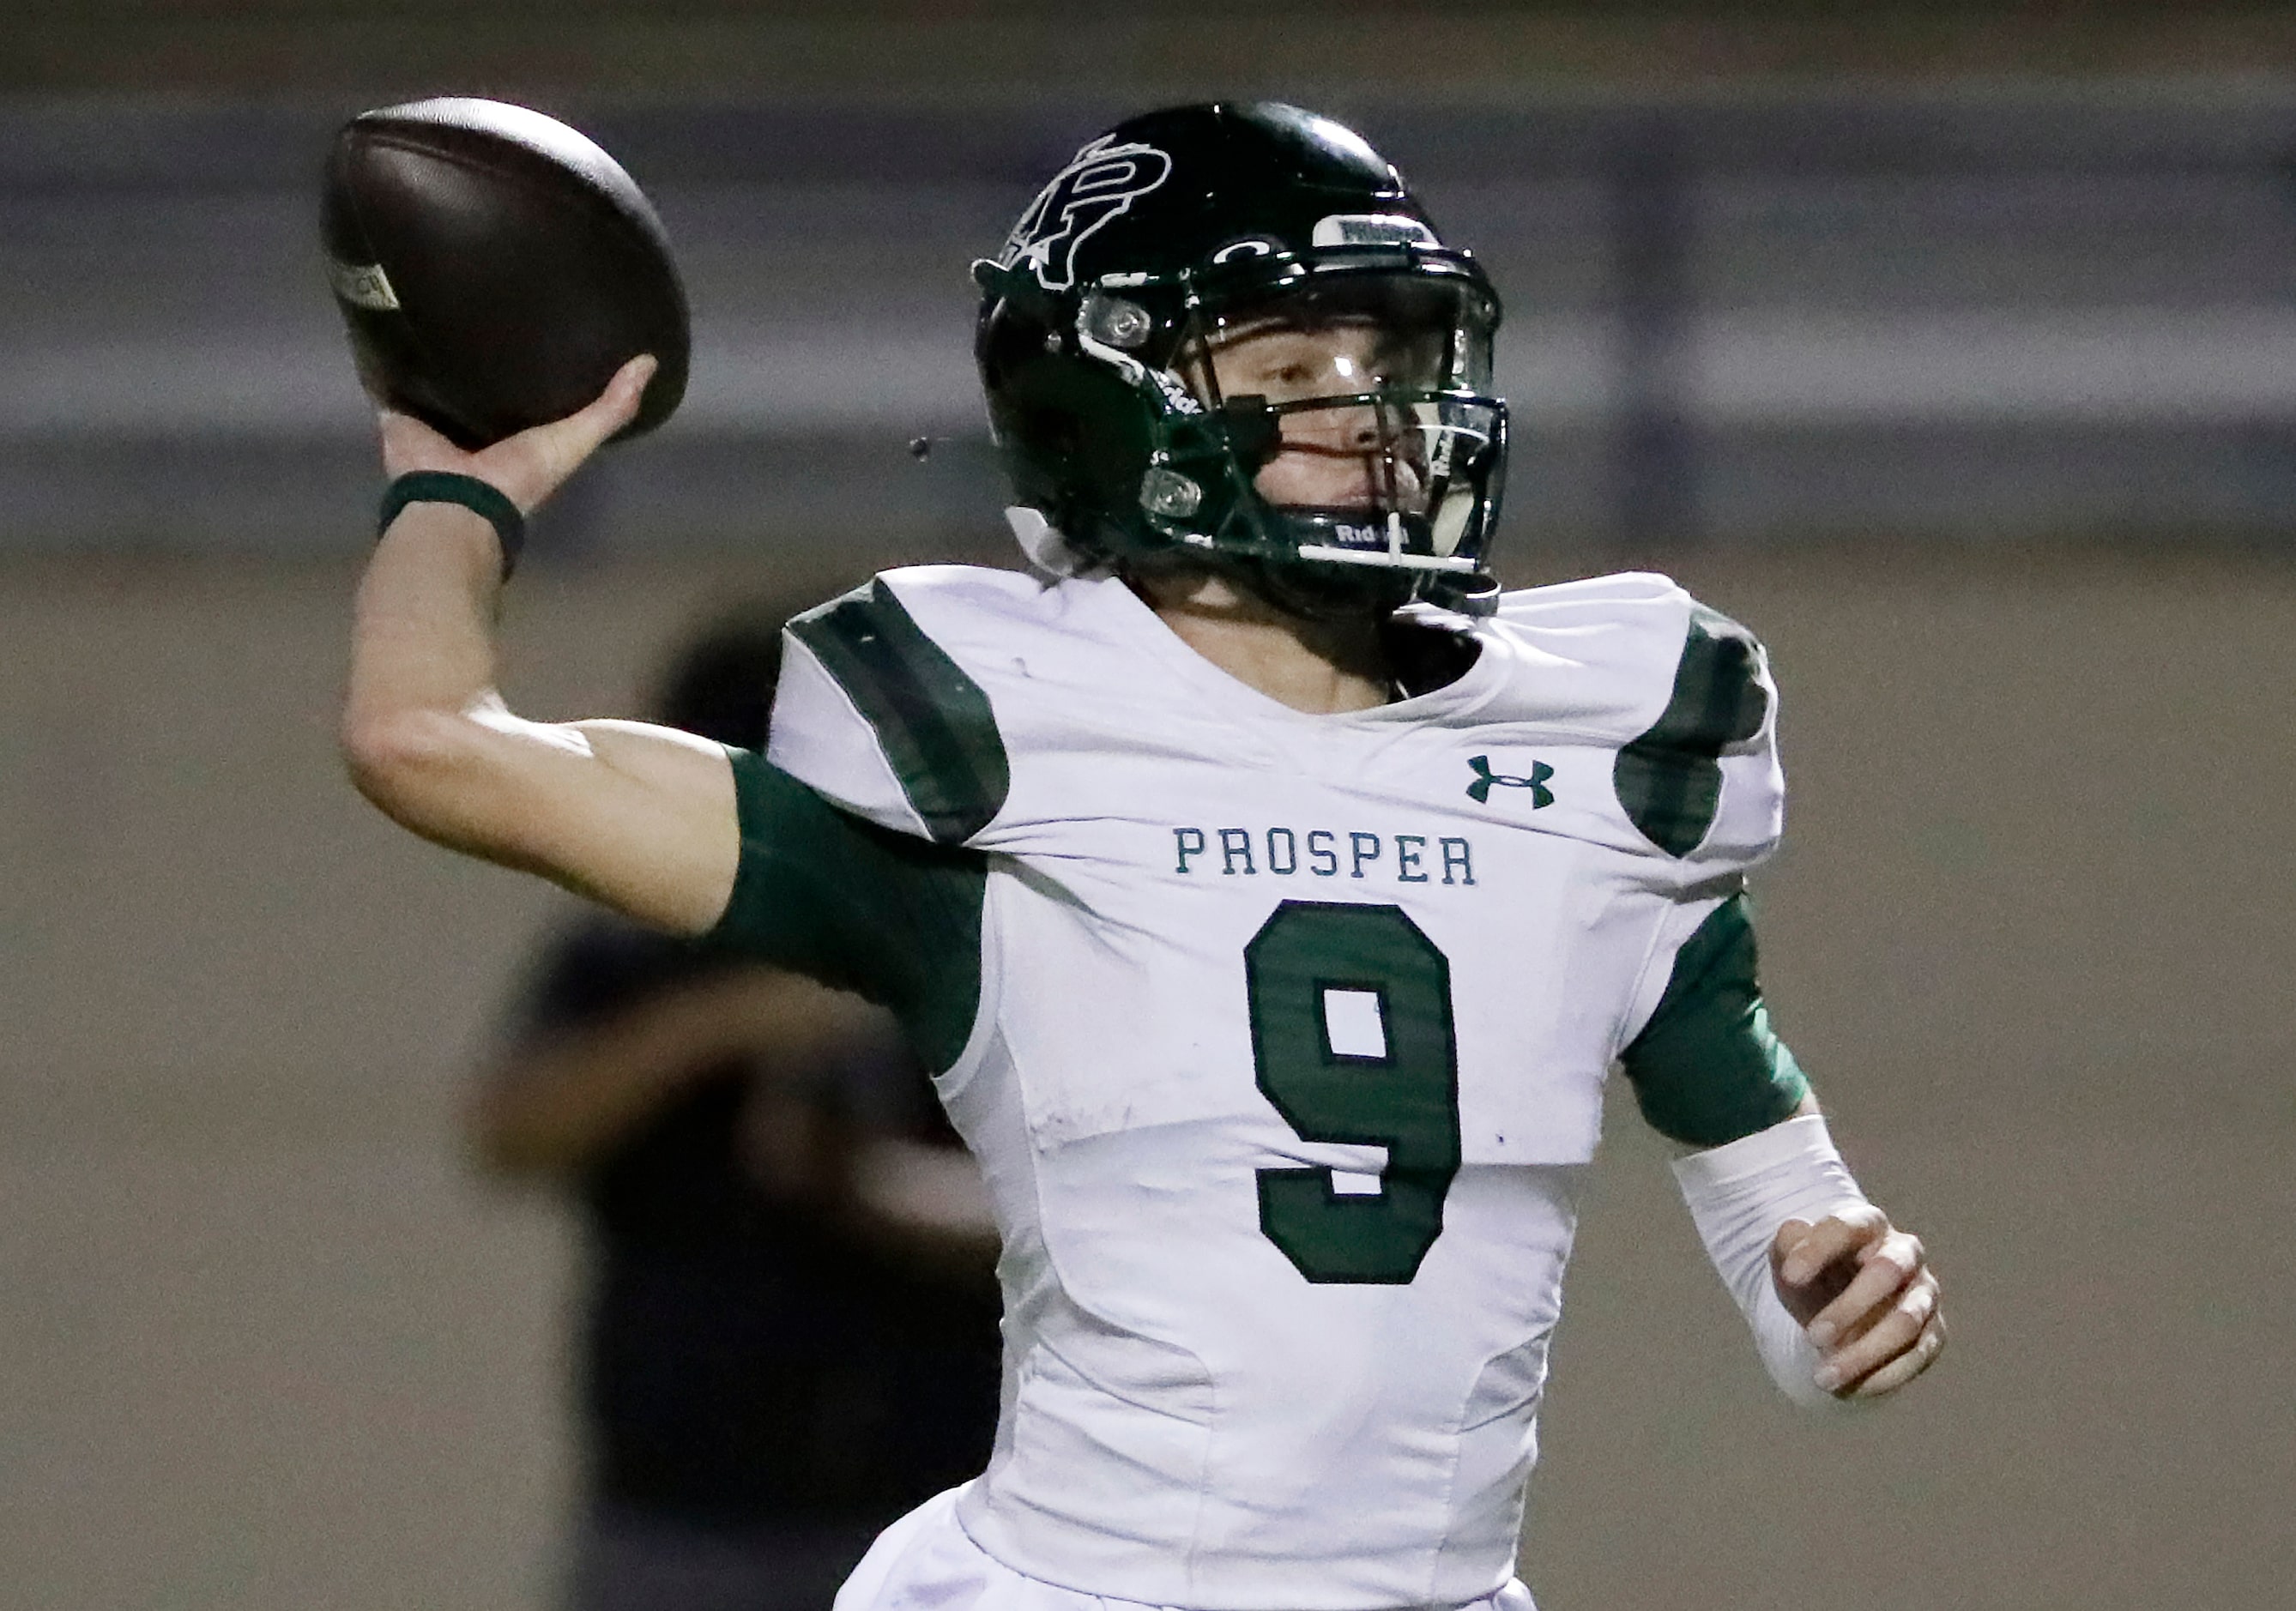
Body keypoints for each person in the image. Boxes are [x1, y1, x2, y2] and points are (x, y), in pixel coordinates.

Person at [344, 102, 1947, 1611]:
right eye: (1282, 352)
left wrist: (1828, 1291)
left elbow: (1778, 1204)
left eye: (1376, 345)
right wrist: (457, 490)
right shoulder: (986, 769)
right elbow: (431, 741)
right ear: (1108, 396)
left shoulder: (1594, 748)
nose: (1362, 399)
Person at [469, 612, 1003, 1610]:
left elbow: (1052, 1211)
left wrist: (867, 1190)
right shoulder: (634, 953)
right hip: (685, 1502)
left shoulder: (955, 940)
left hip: (928, 1493)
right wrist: (735, 1022)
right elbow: (518, 1129)